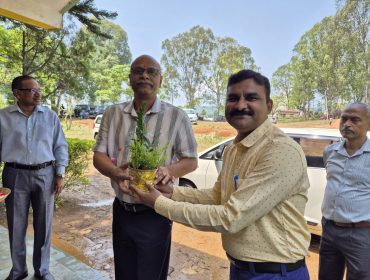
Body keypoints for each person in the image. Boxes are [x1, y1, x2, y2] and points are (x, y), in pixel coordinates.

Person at [131, 69, 311, 280]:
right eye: (233, 98)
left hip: (276, 274)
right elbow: (217, 196)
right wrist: (172, 193)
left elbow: (231, 218)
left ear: (269, 106)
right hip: (241, 269)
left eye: (251, 98)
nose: (241, 105)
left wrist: (159, 204)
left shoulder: (280, 150)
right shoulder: (234, 149)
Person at [93, 54, 198, 280]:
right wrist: (114, 172)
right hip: (122, 210)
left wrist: (169, 170)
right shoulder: (112, 114)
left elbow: (191, 160)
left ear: (160, 80)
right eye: (138, 71)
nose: (144, 75)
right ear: (130, 78)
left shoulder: (177, 117)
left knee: (151, 275)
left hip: (156, 213)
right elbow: (98, 155)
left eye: (152, 71)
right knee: (124, 272)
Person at [0, 75, 68, 280]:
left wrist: (60, 173)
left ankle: (42, 270)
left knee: (44, 225)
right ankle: (19, 270)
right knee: (16, 224)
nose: (37, 93)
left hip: (45, 174)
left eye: (39, 89)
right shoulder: (3, 117)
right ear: (17, 93)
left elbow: (60, 145)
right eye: (32, 90)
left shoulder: (50, 116)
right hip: (14, 175)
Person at [319, 102, 370, 280]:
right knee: (327, 276)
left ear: (369, 124)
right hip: (329, 229)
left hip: (361, 234)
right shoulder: (330, 151)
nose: (347, 124)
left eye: (355, 120)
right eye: (344, 118)